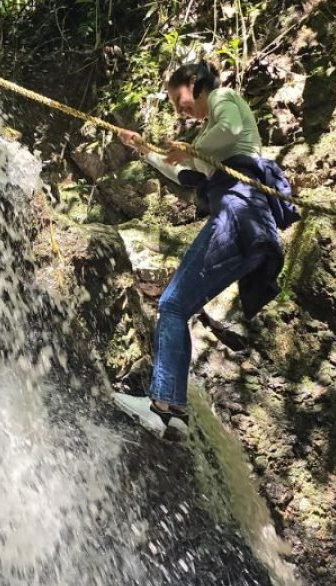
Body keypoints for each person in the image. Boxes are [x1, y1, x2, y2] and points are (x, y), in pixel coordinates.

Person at [115, 60, 299, 425]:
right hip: (248, 225)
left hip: (239, 215)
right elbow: (185, 173)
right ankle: (175, 413)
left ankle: (161, 405)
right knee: (177, 307)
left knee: (171, 304)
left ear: (195, 83)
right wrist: (143, 149)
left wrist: (191, 149)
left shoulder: (223, 97)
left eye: (177, 98)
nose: (178, 108)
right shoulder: (209, 144)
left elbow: (228, 129)